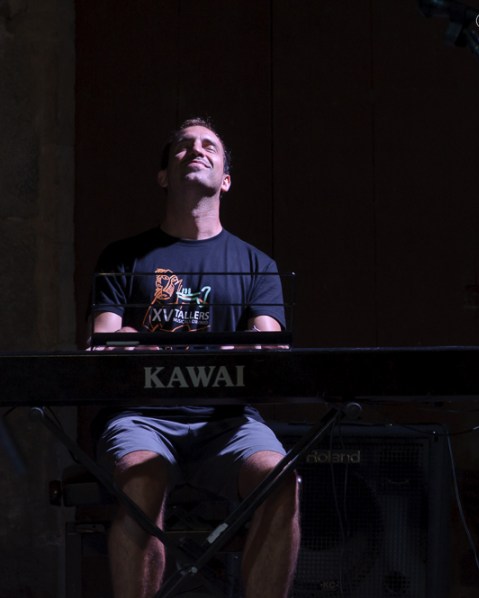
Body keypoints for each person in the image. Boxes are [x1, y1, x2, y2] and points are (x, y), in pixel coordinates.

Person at [89, 117, 300, 598]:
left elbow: (267, 347)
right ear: (164, 176)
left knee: (281, 478)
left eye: (209, 146)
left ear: (225, 179)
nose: (196, 150)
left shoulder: (256, 264)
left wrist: (139, 338)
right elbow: (102, 344)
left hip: (227, 420)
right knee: (142, 477)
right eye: (183, 146)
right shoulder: (122, 257)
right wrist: (229, 345)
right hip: (141, 416)